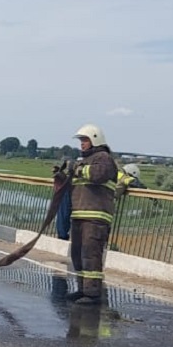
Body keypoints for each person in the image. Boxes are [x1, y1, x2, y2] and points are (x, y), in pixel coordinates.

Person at [66, 123, 119, 306]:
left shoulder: (103, 158)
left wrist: (77, 170)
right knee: (77, 254)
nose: (82, 144)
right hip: (80, 215)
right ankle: (82, 289)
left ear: (95, 139)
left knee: (90, 254)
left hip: (96, 217)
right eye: (81, 140)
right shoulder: (83, 161)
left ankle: (92, 293)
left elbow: (98, 175)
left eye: (85, 140)